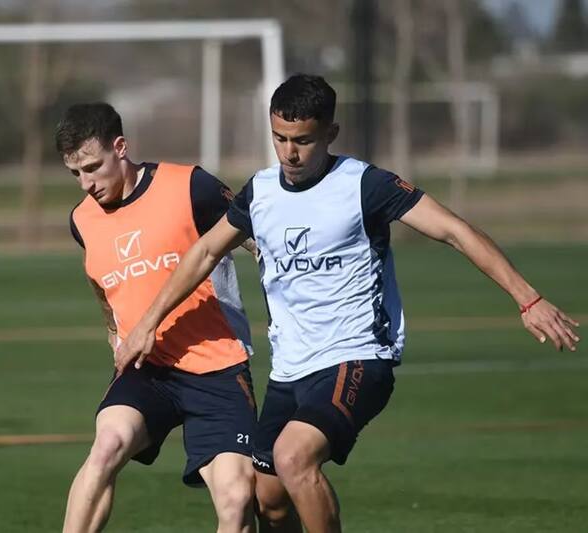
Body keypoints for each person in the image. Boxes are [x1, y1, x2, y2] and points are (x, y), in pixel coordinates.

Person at [115, 74, 581, 533]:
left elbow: (454, 231)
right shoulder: (260, 192)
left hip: (357, 356)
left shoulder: (365, 185)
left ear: (330, 134)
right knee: (269, 499)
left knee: (294, 456)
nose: (289, 153)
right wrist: (148, 323)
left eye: (303, 140)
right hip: (290, 368)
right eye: (279, 138)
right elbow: (204, 251)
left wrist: (528, 298)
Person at [57, 102, 260, 533]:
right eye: (76, 174)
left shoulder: (191, 186)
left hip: (217, 365)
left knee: (238, 499)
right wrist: (114, 332)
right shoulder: (81, 221)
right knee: (106, 447)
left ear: (121, 147)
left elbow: (255, 237)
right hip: (147, 366)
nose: (86, 184)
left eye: (93, 167)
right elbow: (101, 282)